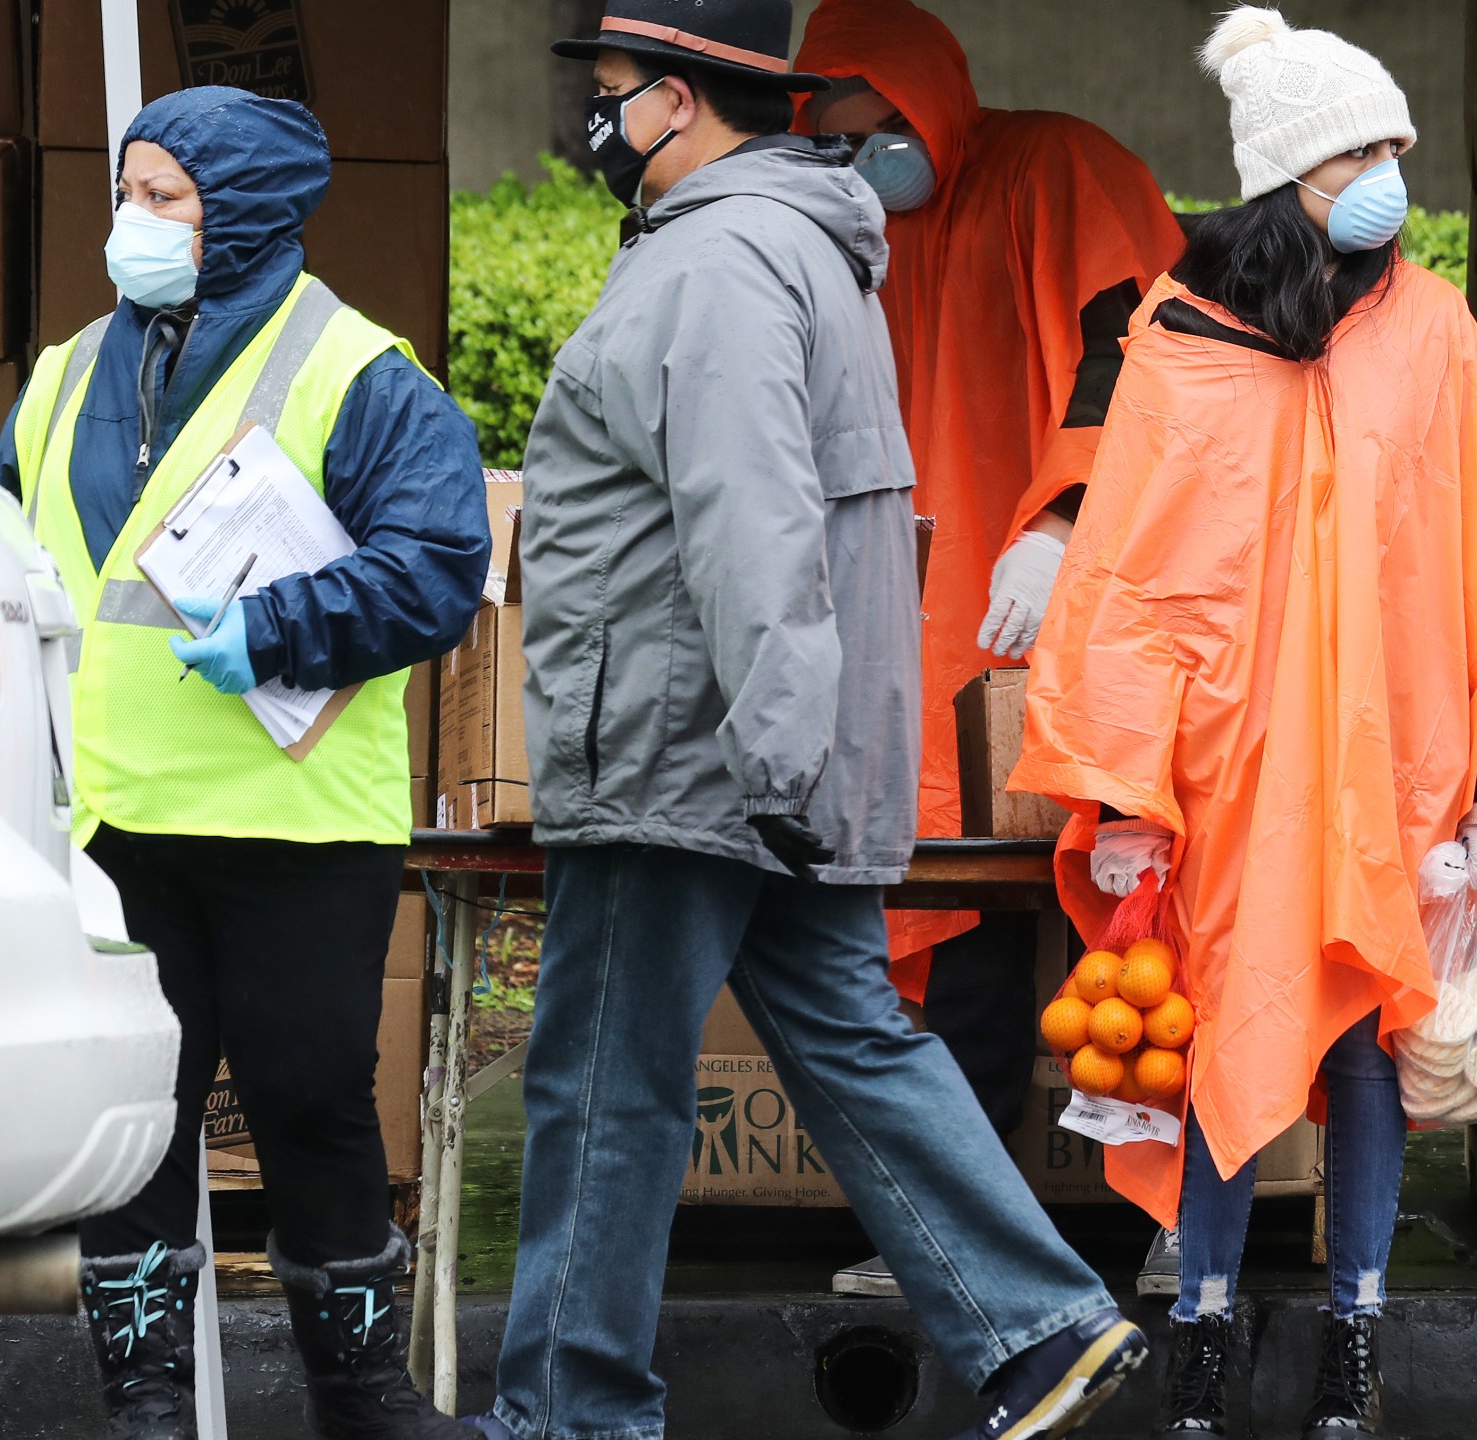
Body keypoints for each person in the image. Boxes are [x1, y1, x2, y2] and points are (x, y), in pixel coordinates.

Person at [470, 5, 1145, 1440]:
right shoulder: (784, 245)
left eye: (607, 93)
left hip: (684, 751)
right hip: (757, 751)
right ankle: (1039, 1325)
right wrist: (791, 756)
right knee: (849, 1036)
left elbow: (749, 517)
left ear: (680, 101)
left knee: (600, 1089)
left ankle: (566, 1416)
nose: (593, 121)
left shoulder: (715, 261)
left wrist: (770, 751)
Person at [1014, 11, 1477, 1437]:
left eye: (1398, 145)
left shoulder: (1433, 328)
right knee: (1218, 1034)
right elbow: (1130, 579)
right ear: (1291, 170)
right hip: (1226, 774)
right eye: (1364, 150)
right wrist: (1128, 793)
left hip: (1397, 763)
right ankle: (1200, 1327)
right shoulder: (1176, 337)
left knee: (1367, 1033)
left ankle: (1356, 1338)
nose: (1392, 172)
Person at [0, 88, 489, 1440]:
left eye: (166, 200)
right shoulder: (65, 372)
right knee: (135, 1119)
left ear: (249, 211)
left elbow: (441, 568)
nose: (132, 226)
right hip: (111, 822)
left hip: (294, 824)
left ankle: (364, 1406)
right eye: (126, 195)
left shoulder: (362, 373)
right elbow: (4, 557)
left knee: (311, 1100)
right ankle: (144, 1409)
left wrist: (274, 626)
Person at [788, 0, 1191, 1299]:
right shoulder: (844, 233)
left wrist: (1067, 517)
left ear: (931, 98)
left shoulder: (1056, 168)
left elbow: (1140, 339)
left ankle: (1190, 1226)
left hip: (1095, 608)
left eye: (879, 130)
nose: (863, 162)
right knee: (949, 925)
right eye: (832, 139)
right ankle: (944, 1242)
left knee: (1127, 924)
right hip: (926, 637)